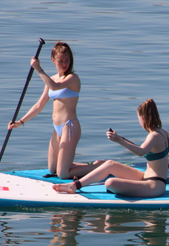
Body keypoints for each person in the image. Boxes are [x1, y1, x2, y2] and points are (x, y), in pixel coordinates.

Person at [8, 41, 101, 179]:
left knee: (63, 174)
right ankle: (86, 165)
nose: (64, 64)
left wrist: (38, 69)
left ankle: (100, 167)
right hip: (57, 128)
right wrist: (20, 122)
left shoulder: (72, 78)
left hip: (69, 127)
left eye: (67, 61)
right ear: (53, 60)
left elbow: (55, 86)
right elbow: (39, 105)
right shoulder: (51, 79)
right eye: (60, 61)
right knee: (52, 169)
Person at [53, 99, 169, 197]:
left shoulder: (153, 136)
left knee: (110, 183)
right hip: (147, 178)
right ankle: (75, 185)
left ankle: (77, 185)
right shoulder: (165, 133)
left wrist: (118, 140)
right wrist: (162, 157)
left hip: (154, 186)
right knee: (110, 164)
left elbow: (141, 152)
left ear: (142, 118)